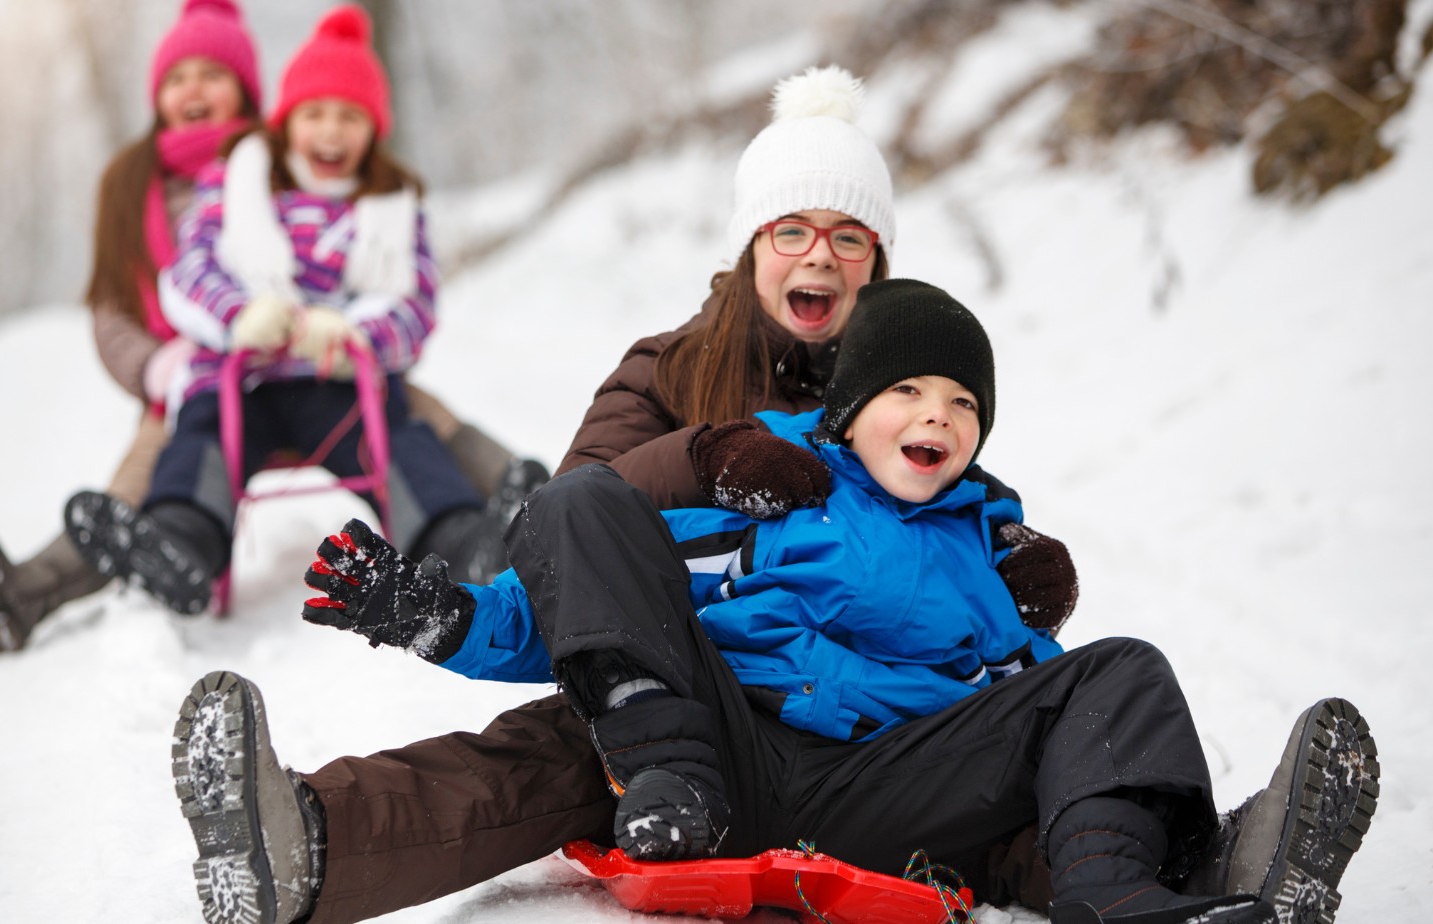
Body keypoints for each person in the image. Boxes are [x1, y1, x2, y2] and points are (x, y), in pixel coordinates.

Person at [166, 65, 1077, 922]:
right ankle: (309, 843)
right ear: (755, 242)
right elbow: (576, 543)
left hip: (887, 735)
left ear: (876, 261)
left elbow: (962, 570)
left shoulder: (918, 391)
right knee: (571, 740)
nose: (821, 257)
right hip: (695, 710)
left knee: (1020, 781)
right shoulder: (668, 372)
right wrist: (698, 461)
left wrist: (1019, 567)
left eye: (849, 236)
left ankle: (1172, 864)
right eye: (791, 229)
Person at [176, 280, 1379, 924]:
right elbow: (592, 605)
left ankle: (1160, 892)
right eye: (905, 389)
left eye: (962, 404)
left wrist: (1044, 640)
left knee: (1118, 673)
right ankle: (305, 853)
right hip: (710, 746)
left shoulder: (990, 542)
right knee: (578, 517)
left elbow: (1042, 723)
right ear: (847, 406)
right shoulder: (771, 479)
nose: (936, 417)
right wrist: (441, 618)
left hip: (891, 774)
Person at [0, 0, 543, 651]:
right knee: (180, 456)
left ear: (252, 95)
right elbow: (166, 281)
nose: (194, 90)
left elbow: (408, 296)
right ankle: (143, 556)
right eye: (178, 77)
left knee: (410, 432)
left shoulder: (356, 194)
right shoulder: (195, 185)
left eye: (212, 75)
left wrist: (348, 334)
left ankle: (508, 522)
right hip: (220, 371)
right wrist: (195, 342)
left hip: (329, 372)